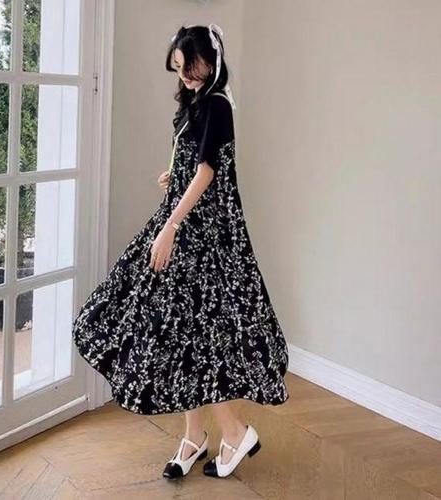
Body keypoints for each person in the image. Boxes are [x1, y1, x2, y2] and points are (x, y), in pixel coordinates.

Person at [72, 23, 290, 480]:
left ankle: (232, 432)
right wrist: (174, 176)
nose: (185, 77)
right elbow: (199, 164)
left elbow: (210, 172)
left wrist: (170, 226)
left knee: (191, 333)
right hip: (185, 221)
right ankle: (197, 436)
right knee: (180, 332)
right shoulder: (196, 102)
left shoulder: (217, 103)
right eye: (178, 69)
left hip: (200, 233)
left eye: (190, 68)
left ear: (212, 61)